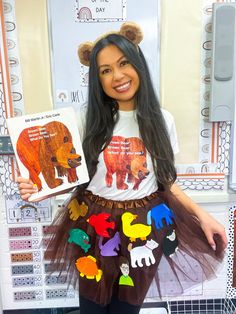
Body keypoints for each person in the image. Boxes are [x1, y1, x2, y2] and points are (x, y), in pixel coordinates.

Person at [17, 22, 227, 314]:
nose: (117, 76)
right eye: (105, 70)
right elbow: (75, 176)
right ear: (97, 79)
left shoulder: (162, 121)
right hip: (93, 225)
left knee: (126, 309)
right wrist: (40, 189)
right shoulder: (85, 119)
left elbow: (167, 181)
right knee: (92, 306)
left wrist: (202, 216)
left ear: (137, 63)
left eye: (123, 63)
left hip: (143, 228)